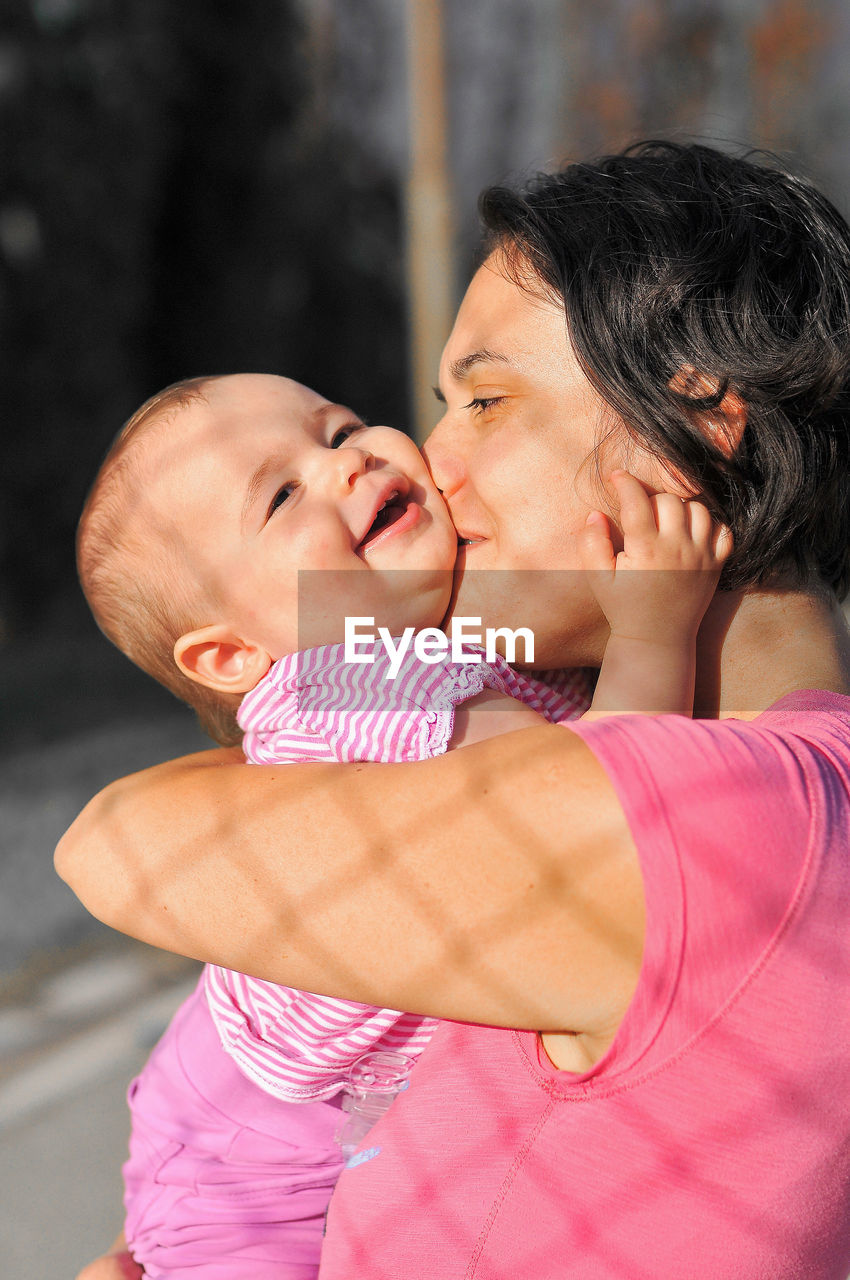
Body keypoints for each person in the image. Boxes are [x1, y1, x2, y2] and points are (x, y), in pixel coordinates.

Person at [59, 140, 850, 1279]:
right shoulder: (736, 771)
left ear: (697, 419)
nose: (429, 458)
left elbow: (107, 842)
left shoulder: (725, 824)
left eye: (485, 398)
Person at [74, 370, 724, 1279]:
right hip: (254, 1154)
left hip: (285, 1103)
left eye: (337, 432)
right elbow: (596, 804)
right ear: (233, 654)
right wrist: (655, 631)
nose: (346, 464)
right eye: (283, 494)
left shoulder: (432, 648)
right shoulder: (364, 678)